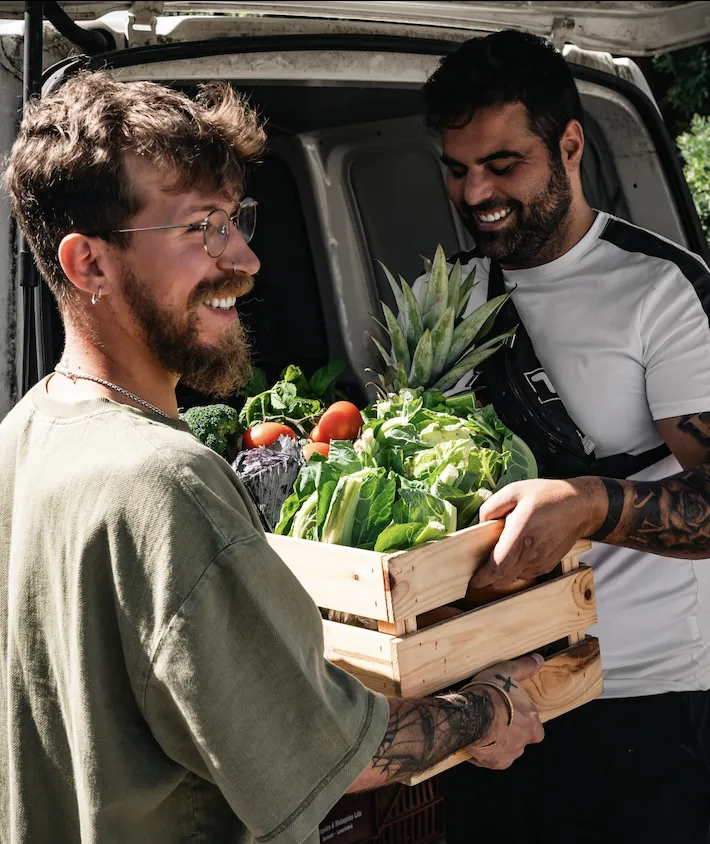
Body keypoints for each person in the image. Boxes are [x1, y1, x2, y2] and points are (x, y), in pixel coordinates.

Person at [0, 71, 545, 844]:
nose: (247, 259)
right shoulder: (163, 482)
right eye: (201, 229)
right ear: (89, 265)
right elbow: (328, 757)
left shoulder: (24, 432)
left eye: (235, 220)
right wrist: (484, 710)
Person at [422, 29, 710, 844]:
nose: (475, 191)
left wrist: (589, 503)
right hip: (489, 707)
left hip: (640, 706)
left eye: (503, 164)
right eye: (456, 167)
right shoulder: (446, 294)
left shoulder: (659, 289)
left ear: (571, 144)